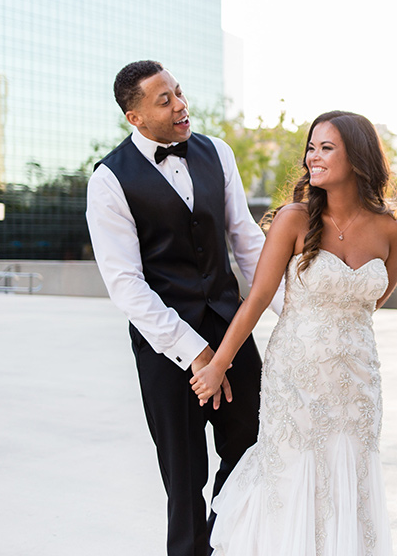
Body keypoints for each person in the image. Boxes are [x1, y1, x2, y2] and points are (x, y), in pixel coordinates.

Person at [86, 60, 281, 556]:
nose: (180, 105)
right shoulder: (109, 180)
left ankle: (231, 544)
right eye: (164, 99)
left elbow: (247, 241)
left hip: (231, 332)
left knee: (249, 453)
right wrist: (195, 354)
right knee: (184, 473)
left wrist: (290, 310)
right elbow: (126, 286)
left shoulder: (218, 152)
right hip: (164, 349)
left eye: (178, 91)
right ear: (135, 117)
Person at [190, 110, 397, 555]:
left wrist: (342, 330)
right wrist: (218, 364)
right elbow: (255, 301)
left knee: (351, 473)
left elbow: (374, 300)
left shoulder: (392, 227)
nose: (313, 157)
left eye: (327, 148)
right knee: (293, 472)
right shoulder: (293, 219)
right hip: (297, 377)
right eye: (312, 147)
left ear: (358, 158)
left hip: (358, 382)